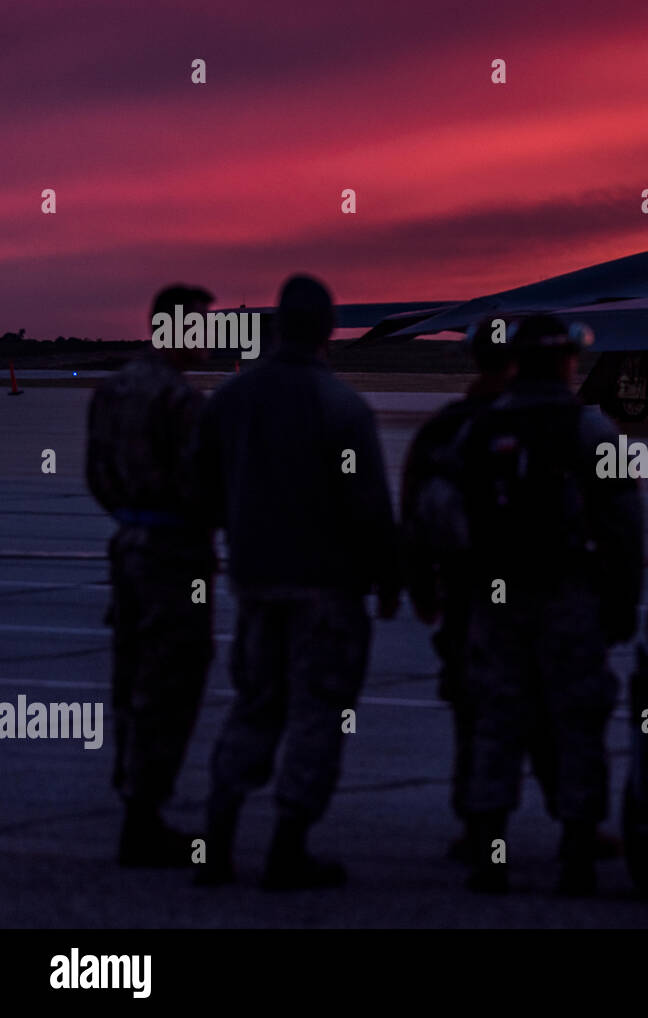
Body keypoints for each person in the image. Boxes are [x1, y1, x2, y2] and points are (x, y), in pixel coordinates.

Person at [193, 274, 400, 890]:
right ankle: (286, 848)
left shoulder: (229, 401)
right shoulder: (341, 407)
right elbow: (369, 504)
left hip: (255, 584)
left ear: (277, 326)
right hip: (325, 591)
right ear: (327, 333)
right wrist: (389, 579)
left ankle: (218, 836)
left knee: (255, 706)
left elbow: (200, 493)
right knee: (317, 713)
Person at [449, 314, 645, 895]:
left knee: (497, 720)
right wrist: (623, 602)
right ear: (565, 362)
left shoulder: (481, 429)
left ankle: (489, 855)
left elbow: (452, 517)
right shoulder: (590, 431)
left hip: (496, 599)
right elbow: (623, 525)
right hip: (569, 595)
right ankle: (578, 855)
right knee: (578, 722)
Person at [85, 284, 216, 867]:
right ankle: (145, 815)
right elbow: (203, 485)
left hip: (129, 546)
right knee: (171, 681)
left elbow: (97, 474)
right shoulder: (182, 402)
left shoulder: (113, 389)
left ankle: (133, 794)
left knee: (130, 675)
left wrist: (130, 517)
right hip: (173, 554)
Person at [400, 317, 518, 859]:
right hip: (546, 596)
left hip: (468, 594)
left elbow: (415, 511)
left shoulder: (445, 427)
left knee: (473, 708)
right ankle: (577, 833)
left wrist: (420, 586)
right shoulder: (558, 424)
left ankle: (479, 828)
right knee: (560, 708)